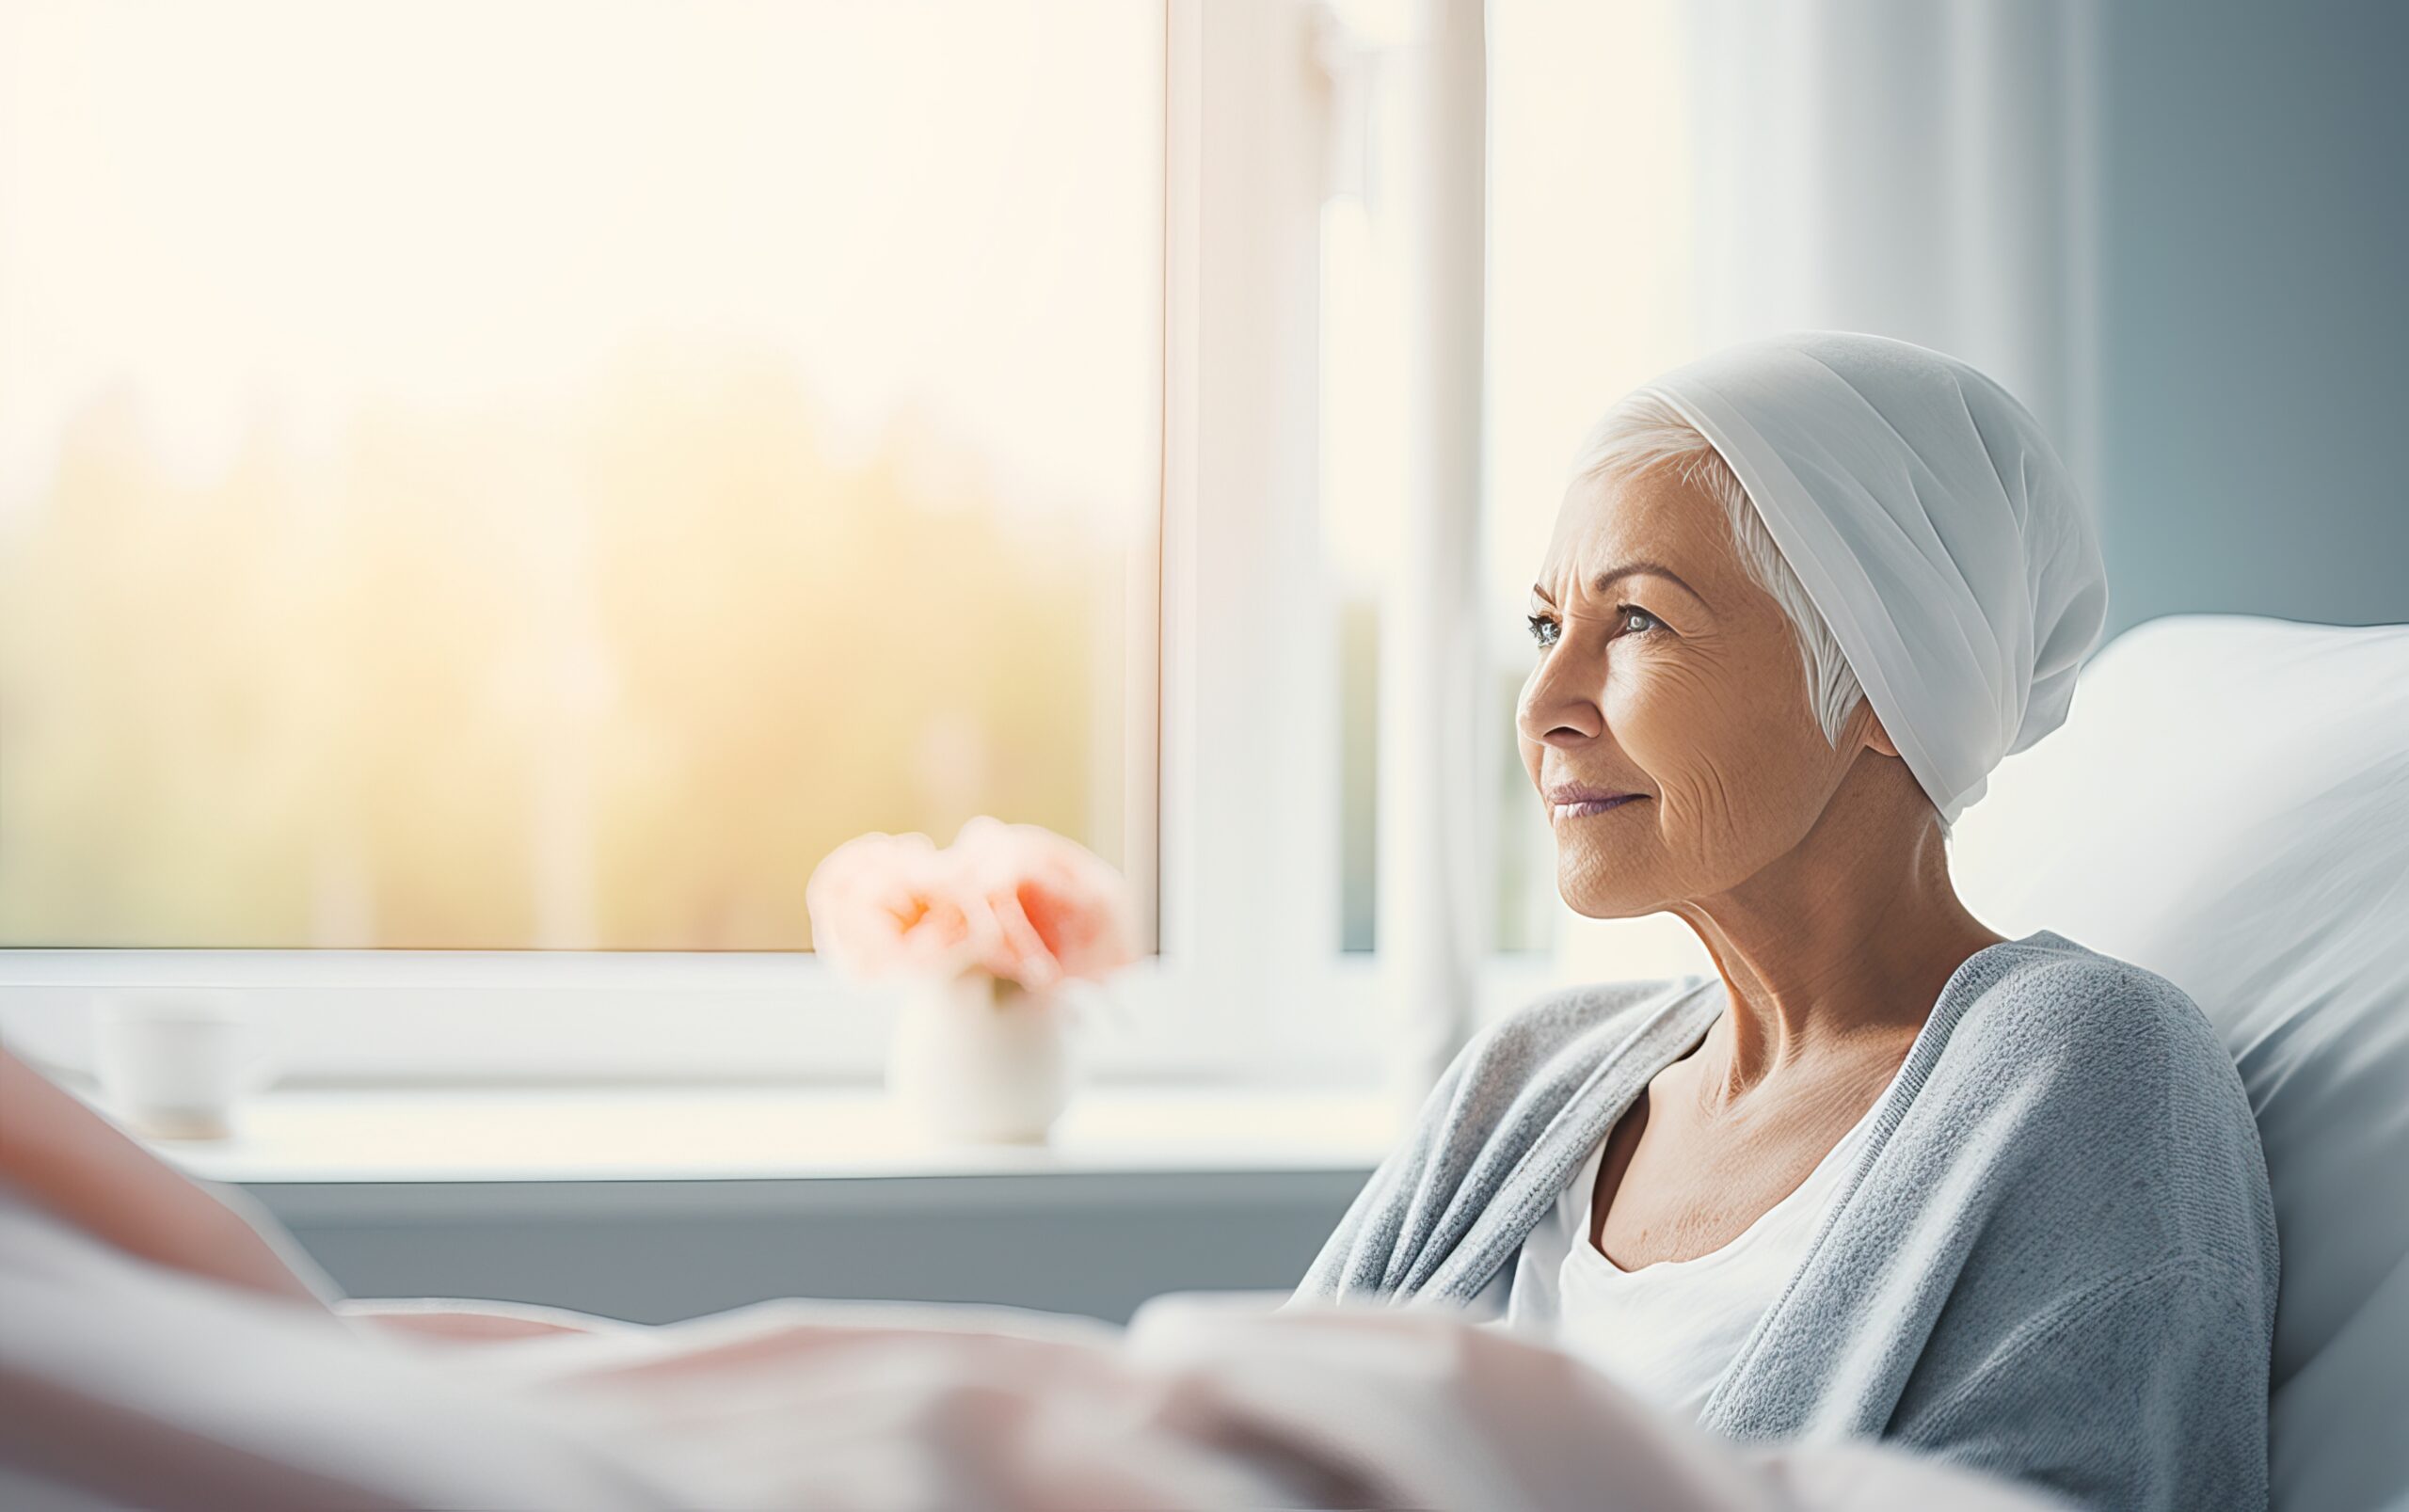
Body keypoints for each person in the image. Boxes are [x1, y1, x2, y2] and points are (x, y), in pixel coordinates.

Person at [1291, 331, 2278, 1512]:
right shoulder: (1528, 1077)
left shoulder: (2083, 1065)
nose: (1544, 704)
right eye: (1549, 626)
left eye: (1639, 622)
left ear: (1879, 679)